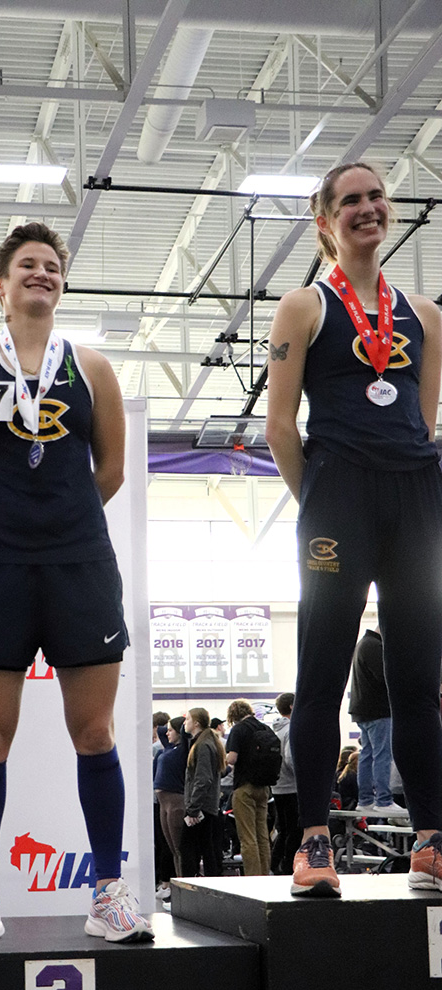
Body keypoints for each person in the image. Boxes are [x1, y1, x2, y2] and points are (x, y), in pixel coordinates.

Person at [0, 222, 152, 945]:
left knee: (94, 732)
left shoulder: (93, 368)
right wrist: (1, 533)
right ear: (1, 284)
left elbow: (110, 473)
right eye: (28, 265)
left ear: (61, 284)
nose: (42, 274)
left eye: (52, 266)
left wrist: (60, 531)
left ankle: (110, 894)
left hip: (80, 567)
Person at [266, 160, 442, 897]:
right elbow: (279, 427)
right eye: (350, 201)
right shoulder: (304, 306)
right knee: (323, 672)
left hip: (416, 496)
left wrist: (405, 494)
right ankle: (313, 844)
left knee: (417, 680)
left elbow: (424, 420)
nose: (367, 208)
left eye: (375, 197)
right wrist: (322, 504)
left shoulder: (426, 315)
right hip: (336, 497)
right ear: (326, 222)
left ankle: (431, 840)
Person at [349, 626, 396, 812]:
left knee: (368, 755)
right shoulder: (375, 647)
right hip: (378, 710)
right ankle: (384, 800)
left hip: (363, 709)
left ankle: (365, 799)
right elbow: (385, 678)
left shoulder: (363, 644)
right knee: (382, 755)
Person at [225, 698, 272, 876]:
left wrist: (223, 761)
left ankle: (253, 877)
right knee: (262, 835)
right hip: (264, 787)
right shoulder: (264, 728)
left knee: (247, 837)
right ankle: (264, 873)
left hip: (244, 787)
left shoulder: (239, 729)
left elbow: (232, 759)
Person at [181, 708, 226, 877]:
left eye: (188, 720)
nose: (185, 723)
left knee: (188, 849)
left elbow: (203, 779)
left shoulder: (203, 745)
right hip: (205, 806)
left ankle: (189, 890)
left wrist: (193, 808)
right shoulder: (206, 742)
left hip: (201, 807)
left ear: (196, 723)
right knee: (207, 849)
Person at [154, 715, 189, 886]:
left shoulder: (183, 749)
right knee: (171, 847)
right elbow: (160, 729)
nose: (166, 733)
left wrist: (185, 721)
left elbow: (184, 732)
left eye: (171, 730)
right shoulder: (168, 748)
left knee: (179, 847)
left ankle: (183, 884)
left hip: (176, 800)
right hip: (163, 802)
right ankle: (177, 886)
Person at [270, 692, 301, 875]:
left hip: (277, 786)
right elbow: (291, 759)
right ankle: (288, 866)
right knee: (294, 830)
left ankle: (274, 865)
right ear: (291, 706)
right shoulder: (291, 730)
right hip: (292, 786)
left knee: (283, 829)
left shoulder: (277, 729)